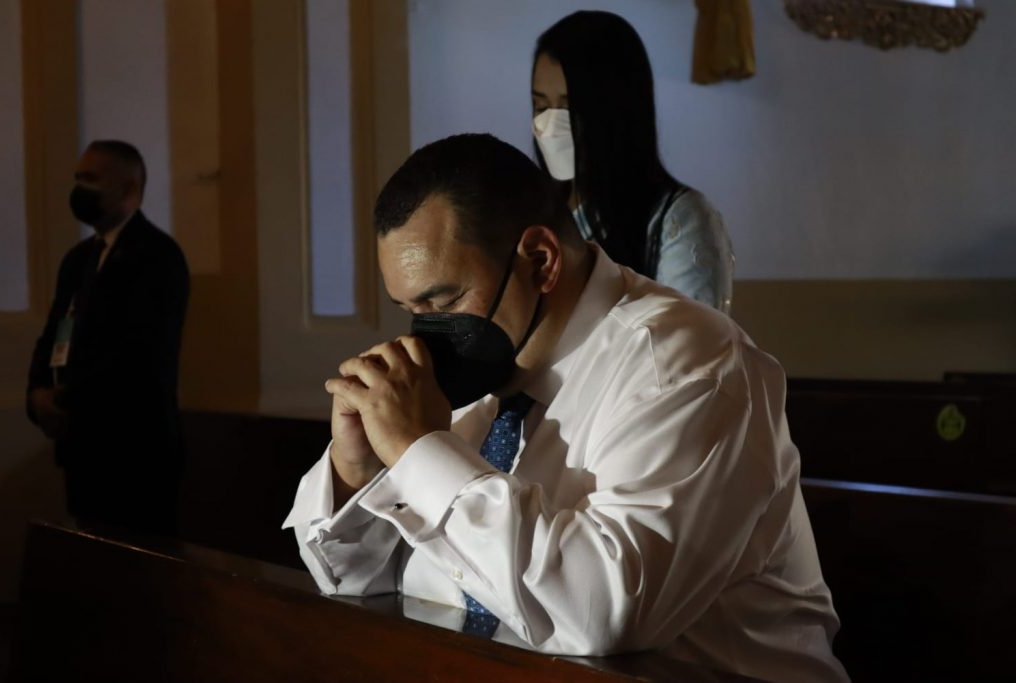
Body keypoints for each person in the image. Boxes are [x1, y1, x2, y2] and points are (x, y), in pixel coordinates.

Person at [284, 134, 847, 682]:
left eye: (445, 300)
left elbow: (605, 616)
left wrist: (422, 454)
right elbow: (360, 585)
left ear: (540, 261)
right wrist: (360, 472)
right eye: (411, 308)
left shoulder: (687, 366)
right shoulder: (469, 370)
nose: (427, 330)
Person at [27, 140, 190, 536]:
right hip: (80, 445)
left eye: (91, 179)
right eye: (78, 177)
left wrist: (64, 399)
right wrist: (37, 395)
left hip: (134, 450)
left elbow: (139, 355)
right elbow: (53, 334)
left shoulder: (158, 256)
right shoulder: (78, 260)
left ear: (130, 189)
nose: (80, 187)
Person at [531, 10, 735, 313]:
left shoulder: (677, 220)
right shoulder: (534, 211)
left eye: (568, 106)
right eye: (540, 105)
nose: (549, 124)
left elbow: (690, 344)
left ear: (617, 109)